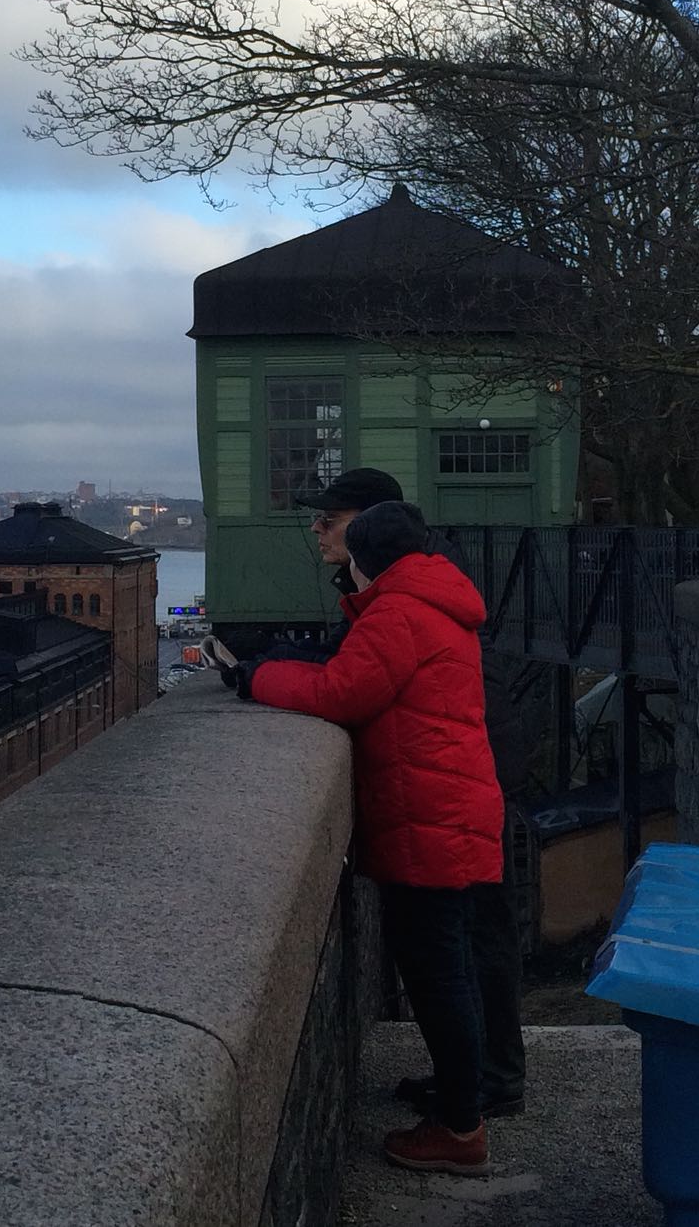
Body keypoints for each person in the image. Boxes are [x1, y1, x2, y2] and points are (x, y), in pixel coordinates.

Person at [240, 477, 516, 1172]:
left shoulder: (397, 614)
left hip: (430, 818)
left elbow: (340, 691)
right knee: (446, 966)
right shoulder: (433, 601)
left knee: (436, 973)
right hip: (449, 809)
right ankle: (463, 1107)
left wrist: (254, 679)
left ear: (367, 558)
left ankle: (459, 1131)